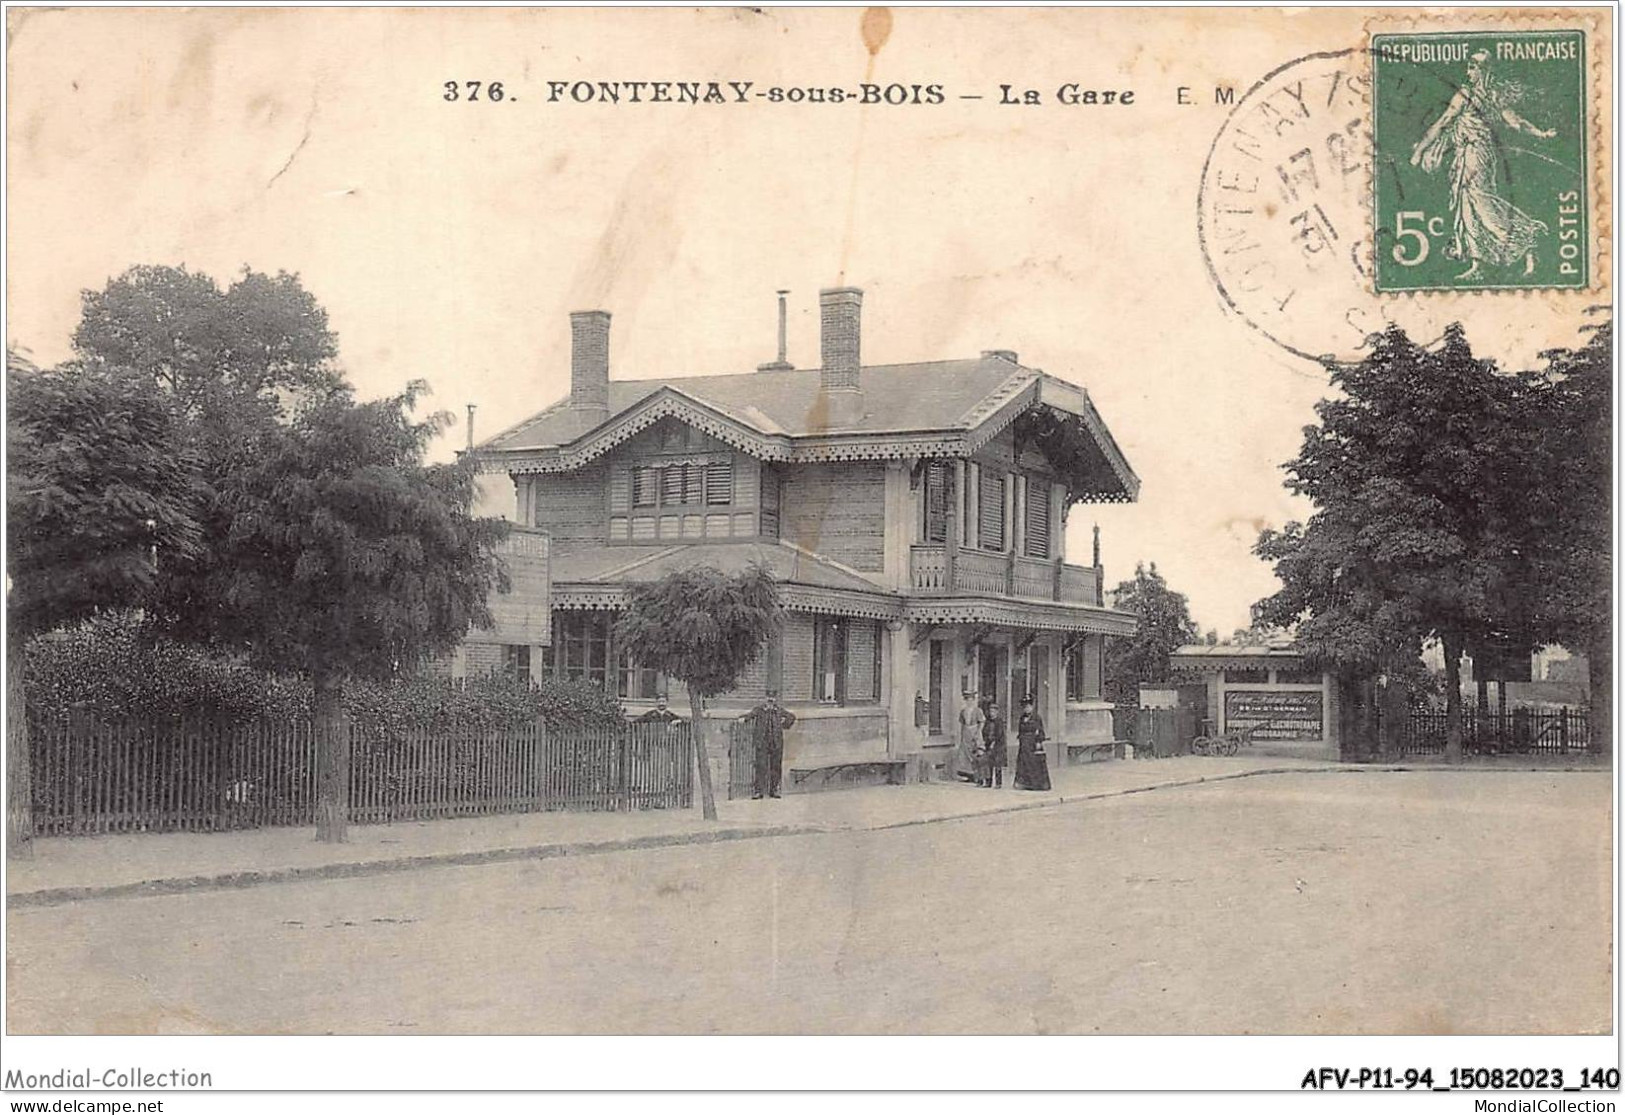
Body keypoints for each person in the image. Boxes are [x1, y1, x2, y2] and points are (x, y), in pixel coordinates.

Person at [1409, 50, 1556, 280]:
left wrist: (1540, 133)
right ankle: (1478, 264)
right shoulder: (1479, 95)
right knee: (1467, 205)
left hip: (1476, 154)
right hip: (1466, 154)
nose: (1469, 71)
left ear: (1484, 70)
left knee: (1481, 202)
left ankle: (1527, 237)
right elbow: (1445, 123)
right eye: (1469, 66)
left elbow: (1515, 122)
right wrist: (1421, 150)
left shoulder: (1480, 96)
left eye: (1474, 66)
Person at [741, 689, 796, 799]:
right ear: (765, 698)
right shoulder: (760, 710)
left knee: (776, 767)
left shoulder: (779, 710)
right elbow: (750, 715)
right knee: (761, 766)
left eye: (772, 698)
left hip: (776, 743)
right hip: (762, 742)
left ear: (775, 699)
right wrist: (743, 719)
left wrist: (784, 725)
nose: (770, 700)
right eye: (768, 698)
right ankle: (758, 791)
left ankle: (774, 790)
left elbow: (791, 717)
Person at [1013, 695, 1051, 791]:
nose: (1026, 709)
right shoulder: (1022, 718)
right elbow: (1020, 730)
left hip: (1032, 744)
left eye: (1028, 707)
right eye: (1025, 707)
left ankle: (1036, 784)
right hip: (1024, 745)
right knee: (1023, 764)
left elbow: (1040, 731)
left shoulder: (1036, 718)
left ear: (1032, 707)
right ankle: (1024, 783)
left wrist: (1039, 741)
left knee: (1034, 764)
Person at [953, 689, 984, 782]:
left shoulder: (978, 710)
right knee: (964, 753)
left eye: (971, 700)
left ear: (973, 700)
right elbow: (962, 724)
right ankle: (967, 774)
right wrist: (961, 735)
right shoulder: (963, 711)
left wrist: (978, 732)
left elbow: (981, 722)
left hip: (974, 731)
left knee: (974, 752)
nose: (969, 702)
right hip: (966, 732)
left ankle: (977, 775)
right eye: (967, 700)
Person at [979, 701, 1007, 788]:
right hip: (988, 744)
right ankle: (988, 782)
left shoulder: (999, 722)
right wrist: (985, 741)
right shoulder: (988, 721)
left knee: (997, 765)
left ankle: (998, 783)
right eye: (990, 711)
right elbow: (984, 731)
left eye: (993, 711)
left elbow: (1000, 734)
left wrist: (994, 742)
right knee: (988, 764)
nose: (992, 713)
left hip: (998, 746)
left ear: (997, 712)